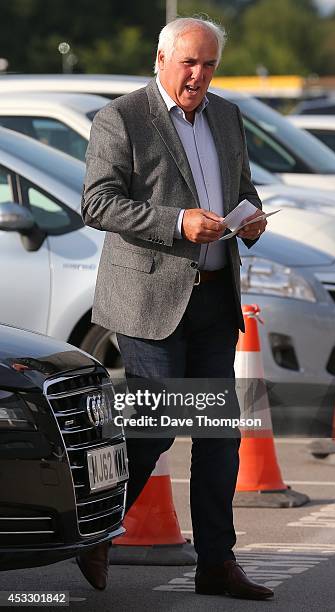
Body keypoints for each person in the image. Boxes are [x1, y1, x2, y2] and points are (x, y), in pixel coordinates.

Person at [79, 16, 272, 600]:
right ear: (160, 59)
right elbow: (97, 202)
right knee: (153, 429)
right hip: (149, 301)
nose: (199, 75)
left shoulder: (227, 116)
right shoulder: (122, 117)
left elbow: (243, 187)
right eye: (189, 62)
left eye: (209, 64)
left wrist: (251, 218)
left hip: (215, 300)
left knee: (220, 437)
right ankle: (93, 530)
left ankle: (216, 563)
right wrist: (177, 222)